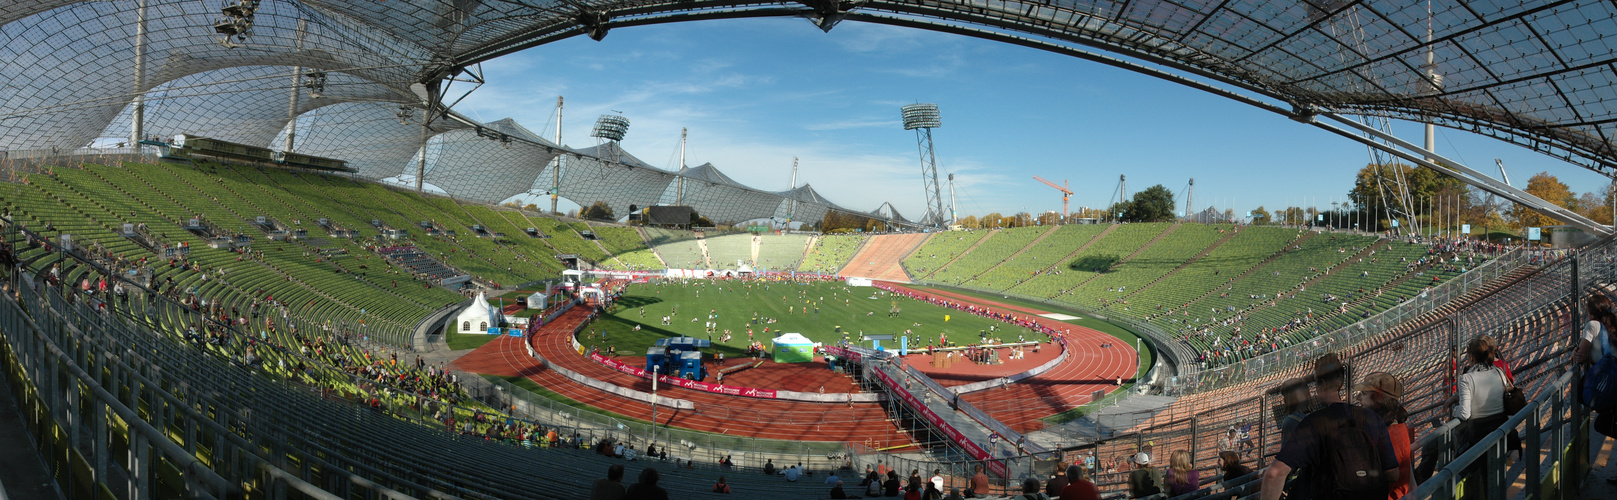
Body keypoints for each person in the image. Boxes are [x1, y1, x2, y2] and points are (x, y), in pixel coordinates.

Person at [1260, 353, 1399, 500]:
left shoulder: (1313, 423)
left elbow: (1274, 474)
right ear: (1340, 382)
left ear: (1322, 383)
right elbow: (1393, 473)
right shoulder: (1373, 418)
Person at [1355, 371, 1412, 500]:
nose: (1358, 398)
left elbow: (1390, 476)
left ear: (1379, 401)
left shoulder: (1393, 433)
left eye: (1364, 393)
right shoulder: (1393, 427)